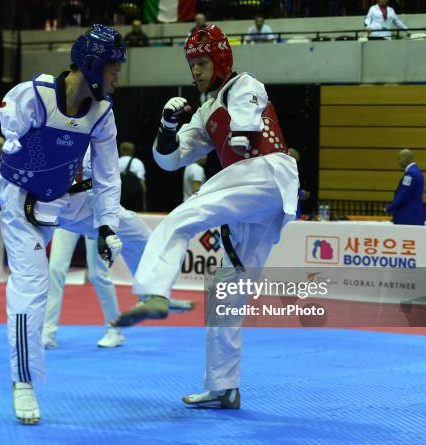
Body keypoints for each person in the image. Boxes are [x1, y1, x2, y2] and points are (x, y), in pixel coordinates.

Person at [0, 24, 193, 425]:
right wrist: (13, 141)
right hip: (22, 199)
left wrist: (107, 226)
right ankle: (23, 380)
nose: (118, 77)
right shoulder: (38, 95)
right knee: (33, 284)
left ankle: (153, 291)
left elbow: (110, 177)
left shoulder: (102, 113)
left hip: (69, 196)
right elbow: (10, 118)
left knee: (132, 230)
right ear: (93, 65)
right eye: (114, 68)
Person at [111, 25, 298, 409]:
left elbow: (248, 112)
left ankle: (155, 293)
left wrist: (243, 135)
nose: (195, 71)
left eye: (202, 62)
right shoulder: (206, 111)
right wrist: (166, 127)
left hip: (263, 173)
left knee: (179, 219)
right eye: (192, 64)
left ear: (222, 60)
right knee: (226, 290)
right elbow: (170, 159)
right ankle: (223, 388)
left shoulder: (244, 85)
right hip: (257, 197)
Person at [43, 150, 195, 349]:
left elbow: (108, 183)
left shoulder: (101, 138)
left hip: (97, 212)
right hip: (68, 210)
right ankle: (48, 332)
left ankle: (118, 327)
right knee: (55, 269)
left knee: (99, 274)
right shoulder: (62, 136)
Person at [385, 149, 424, 225]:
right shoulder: (417, 171)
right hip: (414, 216)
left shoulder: (410, 174)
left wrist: (390, 207)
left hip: (407, 217)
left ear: (405, 158)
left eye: (399, 159)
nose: (398, 162)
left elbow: (404, 194)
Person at [118, 141, 146, 211]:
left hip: (119, 196)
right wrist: (144, 203)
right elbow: (142, 184)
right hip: (134, 197)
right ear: (133, 151)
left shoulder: (115, 162)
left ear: (121, 150)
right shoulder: (138, 163)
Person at [288, 148, 310, 219]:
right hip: (289, 212)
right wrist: (302, 194)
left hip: (294, 211)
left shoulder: (292, 172)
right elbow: (290, 192)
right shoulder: (287, 173)